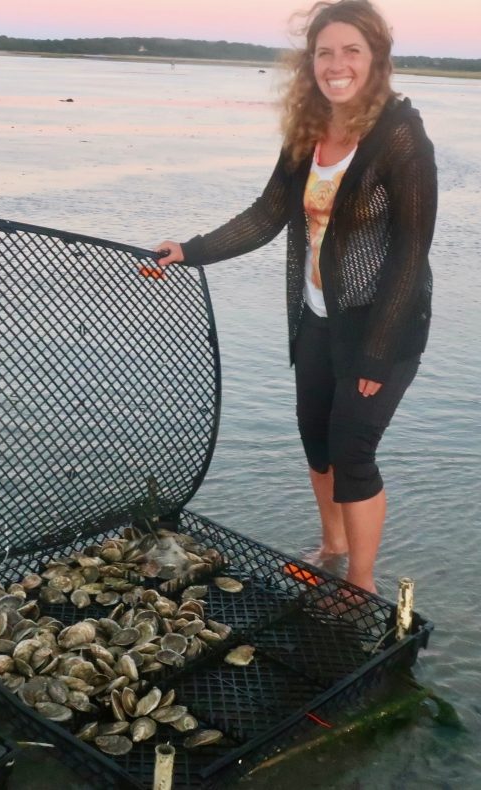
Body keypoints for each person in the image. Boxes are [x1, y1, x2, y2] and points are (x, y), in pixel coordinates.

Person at [155, 0, 437, 595]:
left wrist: (376, 354)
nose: (337, 64)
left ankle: (360, 585)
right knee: (316, 438)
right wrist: (191, 249)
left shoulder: (401, 136)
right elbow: (266, 216)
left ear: (375, 59)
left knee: (352, 451)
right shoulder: (307, 133)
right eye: (324, 52)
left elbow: (412, 253)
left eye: (351, 51)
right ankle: (332, 547)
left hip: (380, 326)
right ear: (311, 62)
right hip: (315, 317)